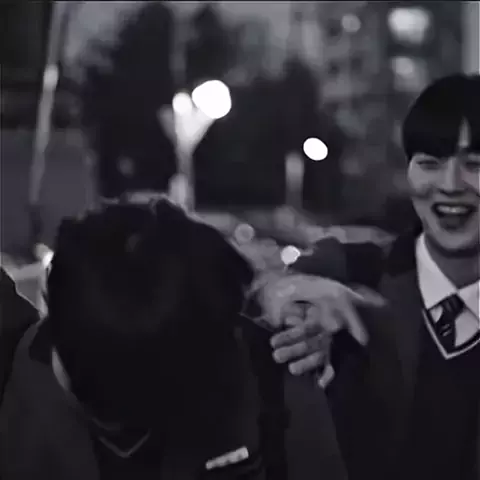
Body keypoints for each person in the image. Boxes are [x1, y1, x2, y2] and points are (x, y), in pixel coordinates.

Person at [259, 74, 480, 480]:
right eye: (429, 163)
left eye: (475, 165)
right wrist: (291, 297)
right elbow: (259, 290)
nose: (450, 185)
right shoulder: (355, 269)